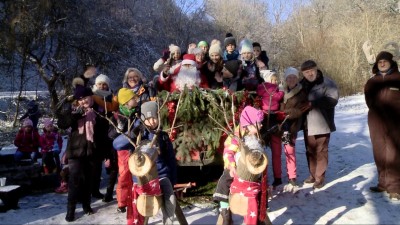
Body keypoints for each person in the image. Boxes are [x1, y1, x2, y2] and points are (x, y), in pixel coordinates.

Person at [127, 101, 177, 225]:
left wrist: (173, 178)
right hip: (144, 178)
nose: (151, 122)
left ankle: (168, 221)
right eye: (148, 119)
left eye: (154, 118)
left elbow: (171, 159)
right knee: (144, 206)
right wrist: (133, 131)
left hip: (162, 176)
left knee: (170, 200)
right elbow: (117, 144)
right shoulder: (138, 135)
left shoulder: (163, 136)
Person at [213, 106, 265, 225]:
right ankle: (225, 211)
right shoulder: (236, 136)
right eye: (259, 124)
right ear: (249, 125)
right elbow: (228, 152)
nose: (261, 126)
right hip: (236, 168)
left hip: (251, 171)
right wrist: (231, 166)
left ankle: (260, 210)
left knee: (261, 187)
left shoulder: (256, 136)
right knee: (224, 182)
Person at [60, 84, 102, 222]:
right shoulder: (72, 111)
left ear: (91, 97)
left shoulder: (98, 110)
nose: (83, 101)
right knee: (74, 180)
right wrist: (75, 116)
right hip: (75, 152)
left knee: (88, 181)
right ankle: (70, 210)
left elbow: (103, 133)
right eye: (80, 99)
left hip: (91, 152)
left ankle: (86, 205)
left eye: (86, 98)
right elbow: (62, 124)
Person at [364, 51, 400, 200]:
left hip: (396, 121)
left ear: (392, 62)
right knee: (379, 152)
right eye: (380, 62)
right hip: (376, 121)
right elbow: (368, 99)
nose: (382, 63)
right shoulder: (372, 81)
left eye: (385, 61)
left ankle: (395, 187)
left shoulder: (398, 78)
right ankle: (382, 183)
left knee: (394, 153)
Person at [300, 60, 339, 189]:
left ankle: (319, 177)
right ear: (303, 73)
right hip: (307, 124)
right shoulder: (301, 85)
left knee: (321, 151)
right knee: (310, 151)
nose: (309, 74)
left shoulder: (327, 82)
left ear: (316, 69)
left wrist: (313, 104)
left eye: (312, 70)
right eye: (306, 72)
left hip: (322, 121)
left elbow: (333, 100)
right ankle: (312, 175)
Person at [279, 67, 309, 186]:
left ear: (297, 79)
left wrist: (285, 113)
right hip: (279, 126)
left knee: (289, 150)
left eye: (294, 77)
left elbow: (300, 110)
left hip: (291, 126)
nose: (291, 79)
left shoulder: (301, 92)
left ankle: (292, 176)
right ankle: (278, 176)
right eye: (289, 77)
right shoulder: (281, 92)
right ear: (286, 79)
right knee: (278, 152)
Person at [111, 88, 139, 213]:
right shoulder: (117, 116)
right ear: (126, 102)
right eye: (133, 98)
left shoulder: (138, 113)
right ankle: (122, 202)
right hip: (123, 151)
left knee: (137, 175)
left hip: (136, 149)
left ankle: (136, 199)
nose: (136, 99)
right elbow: (110, 135)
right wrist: (118, 130)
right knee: (124, 176)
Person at [257, 72, 284, 188]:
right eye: (274, 80)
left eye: (276, 80)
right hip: (273, 118)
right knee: (276, 151)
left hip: (263, 118)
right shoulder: (274, 89)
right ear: (269, 80)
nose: (276, 82)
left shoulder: (260, 88)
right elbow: (278, 97)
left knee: (260, 149)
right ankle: (277, 177)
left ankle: (261, 176)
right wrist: (281, 91)